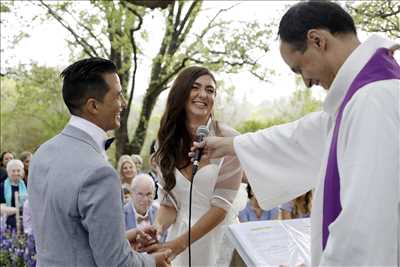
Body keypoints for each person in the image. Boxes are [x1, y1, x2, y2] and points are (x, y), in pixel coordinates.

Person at [192, 2, 399, 266]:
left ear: (317, 40)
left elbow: (365, 225)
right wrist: (231, 145)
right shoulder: (361, 96)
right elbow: (303, 135)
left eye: (300, 68)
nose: (306, 81)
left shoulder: (374, 99)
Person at [28, 57, 171, 266]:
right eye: (118, 96)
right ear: (93, 106)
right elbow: (116, 263)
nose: (123, 103)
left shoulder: (42, 153)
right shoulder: (99, 172)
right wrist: (152, 262)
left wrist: (127, 236)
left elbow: (67, 234)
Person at [150, 66, 243, 266]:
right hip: (179, 238)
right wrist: (156, 228)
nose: (203, 94)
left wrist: (178, 245)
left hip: (217, 239)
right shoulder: (164, 141)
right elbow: (170, 205)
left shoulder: (230, 139)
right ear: (181, 93)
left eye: (210, 90)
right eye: (195, 87)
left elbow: (220, 208)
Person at [0, 159, 27, 229]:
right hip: (8, 220)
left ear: (22, 171)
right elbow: (1, 208)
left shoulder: (27, 185)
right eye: (13, 171)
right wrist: (18, 210)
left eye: (18, 170)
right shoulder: (2, 186)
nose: (16, 173)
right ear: (8, 172)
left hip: (26, 219)